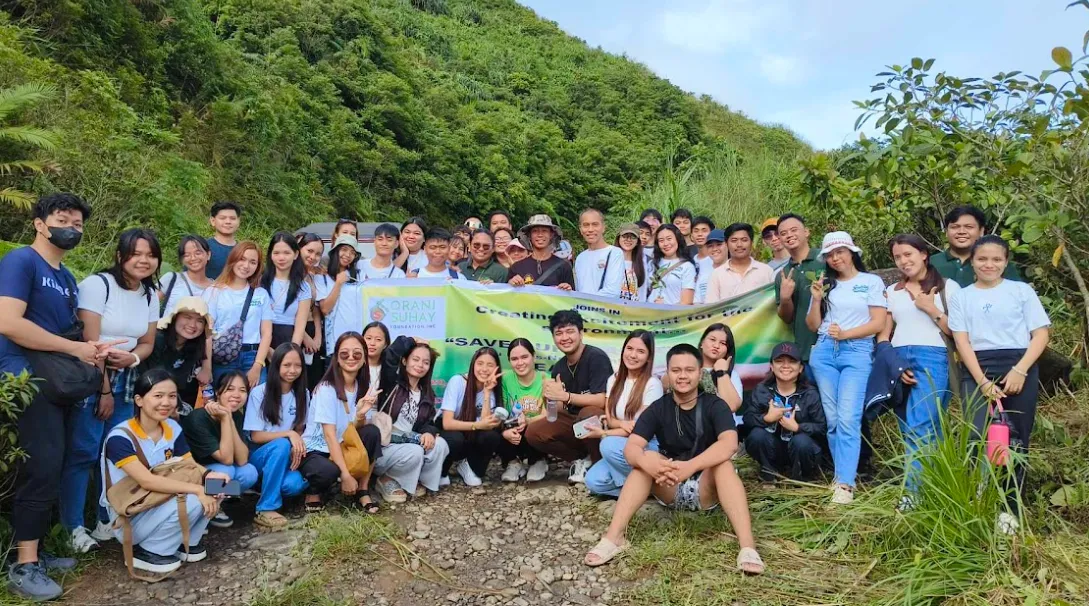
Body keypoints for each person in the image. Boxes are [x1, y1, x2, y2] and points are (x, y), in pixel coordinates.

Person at [583, 344, 764, 575]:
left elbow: (729, 444)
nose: (682, 376)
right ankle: (613, 538)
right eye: (676, 370)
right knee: (643, 461)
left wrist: (691, 466)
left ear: (700, 374)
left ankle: (747, 546)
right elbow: (632, 447)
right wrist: (648, 461)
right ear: (667, 374)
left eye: (689, 370)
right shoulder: (659, 408)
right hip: (669, 484)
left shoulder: (714, 405)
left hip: (706, 488)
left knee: (723, 465)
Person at [1, 193, 102, 601]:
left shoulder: (65, 277)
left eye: (78, 224)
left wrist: (92, 348)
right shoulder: (21, 262)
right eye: (63, 219)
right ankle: (23, 565)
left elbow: (68, 334)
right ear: (40, 223)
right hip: (24, 378)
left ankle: (35, 550)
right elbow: (7, 321)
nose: (71, 228)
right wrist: (74, 350)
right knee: (40, 468)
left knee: (52, 464)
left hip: (54, 383)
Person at [62, 228, 162, 553]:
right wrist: (104, 388)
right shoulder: (98, 285)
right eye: (136, 253)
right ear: (121, 256)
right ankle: (72, 527)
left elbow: (147, 343)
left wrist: (132, 357)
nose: (143, 260)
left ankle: (106, 518)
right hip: (93, 379)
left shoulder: (149, 294)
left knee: (113, 453)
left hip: (127, 381)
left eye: (150, 255)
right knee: (83, 452)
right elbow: (89, 342)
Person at [948, 235, 1049, 533]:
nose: (989, 264)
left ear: (1006, 261)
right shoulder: (962, 296)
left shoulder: (1021, 291)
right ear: (973, 262)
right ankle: (979, 501)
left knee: (1016, 439)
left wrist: (1020, 370)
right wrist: (981, 381)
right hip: (977, 367)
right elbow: (961, 341)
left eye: (996, 259)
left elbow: (1040, 334)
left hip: (1019, 364)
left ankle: (1009, 510)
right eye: (982, 259)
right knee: (978, 436)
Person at [99, 370, 224, 574]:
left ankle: (187, 542)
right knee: (194, 497)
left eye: (172, 396)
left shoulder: (172, 428)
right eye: (158, 396)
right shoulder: (120, 437)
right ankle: (148, 550)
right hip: (130, 513)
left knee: (219, 486)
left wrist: (210, 475)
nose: (166, 402)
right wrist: (198, 489)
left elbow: (191, 465)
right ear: (139, 400)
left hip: (158, 501)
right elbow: (146, 481)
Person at [805, 231, 887, 505]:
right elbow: (814, 326)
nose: (835, 258)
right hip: (825, 351)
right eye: (829, 254)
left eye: (839, 251)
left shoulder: (870, 282)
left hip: (857, 352)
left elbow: (878, 323)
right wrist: (816, 298)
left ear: (852, 251)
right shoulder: (826, 284)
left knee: (849, 418)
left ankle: (845, 485)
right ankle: (841, 477)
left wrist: (848, 334)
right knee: (833, 421)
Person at [879, 234, 960, 503]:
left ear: (924, 254)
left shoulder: (948, 287)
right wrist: (893, 363)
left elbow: (958, 332)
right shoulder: (892, 292)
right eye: (898, 257)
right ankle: (936, 489)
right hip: (899, 358)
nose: (903, 261)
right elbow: (883, 335)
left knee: (921, 425)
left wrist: (929, 308)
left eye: (908, 254)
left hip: (933, 357)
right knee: (911, 427)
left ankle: (912, 496)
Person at [301, 333, 385, 513]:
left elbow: (350, 431)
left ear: (364, 359)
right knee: (327, 471)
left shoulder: (361, 386)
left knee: (371, 432)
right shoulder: (326, 389)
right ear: (337, 358)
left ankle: (362, 489)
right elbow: (329, 436)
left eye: (357, 354)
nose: (351, 358)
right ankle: (314, 491)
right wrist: (345, 475)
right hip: (319, 450)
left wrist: (360, 415)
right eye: (344, 354)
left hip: (342, 444)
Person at [525, 310, 612, 483]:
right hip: (575, 425)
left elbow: (601, 400)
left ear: (581, 333)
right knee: (534, 432)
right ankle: (581, 459)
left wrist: (566, 396)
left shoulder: (596, 357)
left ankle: (598, 464)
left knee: (589, 414)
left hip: (599, 423)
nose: (564, 337)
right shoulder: (558, 368)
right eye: (559, 333)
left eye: (570, 331)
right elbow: (555, 413)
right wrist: (548, 398)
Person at [585, 330, 663, 497]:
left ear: (649, 358)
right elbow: (611, 419)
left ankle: (642, 488)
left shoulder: (653, 385)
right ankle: (646, 489)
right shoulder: (613, 380)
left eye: (640, 351)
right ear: (623, 350)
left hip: (646, 445)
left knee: (607, 445)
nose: (633, 355)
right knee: (592, 481)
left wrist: (604, 433)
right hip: (620, 443)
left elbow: (640, 429)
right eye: (630, 348)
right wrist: (621, 424)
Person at [371, 335, 449, 501]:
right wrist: (412, 341)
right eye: (415, 359)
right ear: (405, 361)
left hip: (409, 444)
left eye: (425, 362)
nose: (420, 365)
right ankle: (386, 479)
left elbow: (429, 422)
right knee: (415, 451)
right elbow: (390, 355)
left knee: (440, 444)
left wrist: (428, 432)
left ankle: (414, 480)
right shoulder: (392, 382)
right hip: (386, 447)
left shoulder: (427, 393)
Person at [243, 343, 312, 526]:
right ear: (277, 365)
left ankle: (265, 487)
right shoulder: (260, 393)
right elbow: (256, 436)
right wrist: (289, 434)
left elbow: (299, 430)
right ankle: (265, 508)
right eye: (287, 365)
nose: (292, 370)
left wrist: (294, 440)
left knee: (294, 485)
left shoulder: (303, 394)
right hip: (260, 457)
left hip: (285, 457)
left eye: (297, 365)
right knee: (281, 444)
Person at [179, 371, 257, 529]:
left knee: (249, 472)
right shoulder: (198, 418)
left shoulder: (235, 416)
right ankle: (206, 508)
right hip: (192, 476)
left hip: (217, 474)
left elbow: (242, 460)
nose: (236, 395)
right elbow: (227, 459)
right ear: (217, 392)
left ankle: (219, 499)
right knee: (226, 469)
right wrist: (225, 419)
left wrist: (228, 418)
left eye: (242, 391)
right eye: (230, 389)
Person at [743, 342, 826, 483]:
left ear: (800, 368)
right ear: (771, 366)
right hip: (774, 449)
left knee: (802, 441)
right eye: (779, 361)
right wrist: (766, 418)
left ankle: (801, 479)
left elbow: (822, 427)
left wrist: (798, 428)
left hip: (802, 452)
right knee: (757, 436)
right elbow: (748, 418)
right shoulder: (762, 390)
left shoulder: (810, 393)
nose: (785, 366)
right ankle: (769, 475)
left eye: (792, 361)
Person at [201, 241, 273, 386]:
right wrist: (207, 367)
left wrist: (258, 365)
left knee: (258, 402)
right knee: (225, 404)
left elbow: (266, 333)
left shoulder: (261, 294)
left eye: (253, 262)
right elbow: (207, 333)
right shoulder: (214, 291)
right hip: (223, 356)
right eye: (242, 259)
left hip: (252, 356)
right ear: (233, 259)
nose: (246, 266)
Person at [439, 347, 504, 486]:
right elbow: (447, 423)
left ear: (496, 369)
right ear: (473, 364)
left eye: (490, 365)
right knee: (455, 438)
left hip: (472, 434)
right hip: (451, 432)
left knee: (491, 436)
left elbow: (488, 426)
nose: (484, 369)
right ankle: (442, 471)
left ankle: (468, 466)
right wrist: (478, 425)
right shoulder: (457, 381)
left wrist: (487, 392)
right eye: (480, 364)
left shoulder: (492, 390)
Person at [774, 214, 825, 369]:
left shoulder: (825, 260)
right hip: (805, 351)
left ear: (806, 232)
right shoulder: (783, 274)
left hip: (835, 344)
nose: (789, 235)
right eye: (783, 233)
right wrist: (785, 299)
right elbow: (787, 318)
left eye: (794, 230)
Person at [932, 205, 1023, 288]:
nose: (961, 231)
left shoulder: (997, 265)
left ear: (981, 231)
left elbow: (1017, 296)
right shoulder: (931, 263)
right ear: (946, 232)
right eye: (955, 227)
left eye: (969, 227)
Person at [148, 296, 213, 410]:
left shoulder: (195, 346)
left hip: (173, 404)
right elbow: (153, 379)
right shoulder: (157, 339)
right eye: (187, 317)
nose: (192, 325)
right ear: (175, 318)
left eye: (200, 320)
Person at [498, 339, 549, 482]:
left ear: (534, 357)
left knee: (539, 426)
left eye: (524, 357)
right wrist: (505, 429)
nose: (520, 363)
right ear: (509, 361)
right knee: (495, 427)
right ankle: (513, 462)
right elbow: (499, 411)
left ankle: (539, 461)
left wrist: (528, 420)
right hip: (513, 430)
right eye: (514, 359)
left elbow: (550, 415)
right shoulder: (505, 380)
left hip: (536, 432)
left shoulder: (546, 379)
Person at [261, 232, 311, 350]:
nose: (281, 258)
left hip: (288, 341)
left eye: (286, 253)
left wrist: (292, 352)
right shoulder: (260, 282)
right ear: (270, 255)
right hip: (261, 342)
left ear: (296, 254)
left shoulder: (303, 287)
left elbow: (300, 326)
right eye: (276, 253)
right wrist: (267, 351)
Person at [320, 236, 366, 354]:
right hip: (334, 340)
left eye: (352, 252)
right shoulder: (322, 278)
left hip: (359, 338)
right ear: (336, 251)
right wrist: (338, 283)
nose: (348, 255)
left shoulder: (360, 276)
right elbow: (325, 309)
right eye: (344, 249)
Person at [707, 223, 774, 303]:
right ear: (726, 244)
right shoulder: (717, 275)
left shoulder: (766, 271)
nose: (739, 245)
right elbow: (711, 307)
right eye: (734, 241)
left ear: (751, 243)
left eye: (744, 240)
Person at [508, 215, 574, 289]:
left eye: (544, 231)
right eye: (535, 231)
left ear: (551, 235)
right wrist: (511, 283)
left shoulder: (564, 266)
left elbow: (572, 298)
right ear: (529, 235)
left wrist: (567, 289)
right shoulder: (517, 267)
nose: (540, 235)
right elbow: (508, 297)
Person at [297, 233, 328, 389]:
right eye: (309, 251)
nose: (313, 257)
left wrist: (318, 335)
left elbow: (315, 307)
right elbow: (286, 313)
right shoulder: (289, 276)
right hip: (295, 333)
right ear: (299, 249)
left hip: (312, 332)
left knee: (313, 382)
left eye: (318, 254)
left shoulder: (312, 276)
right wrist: (305, 338)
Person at [574, 209, 625, 297]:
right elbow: (578, 290)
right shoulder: (580, 258)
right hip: (582, 309)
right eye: (586, 225)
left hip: (602, 308)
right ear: (581, 229)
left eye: (595, 224)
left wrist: (586, 303)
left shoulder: (615, 253)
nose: (590, 229)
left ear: (603, 227)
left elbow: (612, 291)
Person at [159, 235, 213, 317]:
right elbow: (148, 304)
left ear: (208, 255)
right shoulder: (172, 279)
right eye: (187, 255)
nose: (193, 258)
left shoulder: (216, 289)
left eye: (198, 253)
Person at [648, 224, 696, 305]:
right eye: (661, 240)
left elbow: (687, 302)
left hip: (671, 315)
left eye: (669, 239)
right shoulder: (651, 264)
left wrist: (666, 305)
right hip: (649, 313)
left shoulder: (687, 267)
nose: (666, 243)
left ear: (678, 239)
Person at [206, 201, 241, 280]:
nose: (228, 222)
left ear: (238, 221)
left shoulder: (243, 250)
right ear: (213, 221)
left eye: (232, 218)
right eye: (222, 218)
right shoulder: (203, 247)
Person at [615, 223, 647, 301]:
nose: (628, 240)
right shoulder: (610, 260)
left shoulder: (642, 262)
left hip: (633, 310)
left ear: (637, 241)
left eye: (633, 237)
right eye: (625, 236)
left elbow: (642, 291)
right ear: (618, 238)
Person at [690, 216, 716, 303]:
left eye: (704, 230)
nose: (700, 234)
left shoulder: (717, 260)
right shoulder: (690, 262)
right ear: (691, 236)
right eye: (696, 231)